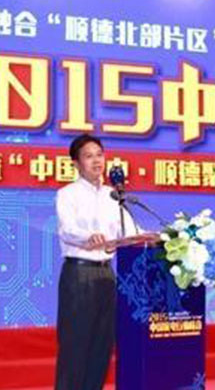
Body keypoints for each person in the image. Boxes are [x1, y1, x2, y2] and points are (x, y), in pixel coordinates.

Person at [54, 134, 157, 390]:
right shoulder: (67, 194)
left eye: (99, 155)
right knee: (75, 346)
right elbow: (67, 230)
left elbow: (131, 231)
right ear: (76, 163)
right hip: (79, 275)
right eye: (88, 156)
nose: (96, 161)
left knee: (102, 345)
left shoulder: (113, 196)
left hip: (107, 276)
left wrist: (155, 237)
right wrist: (88, 237)